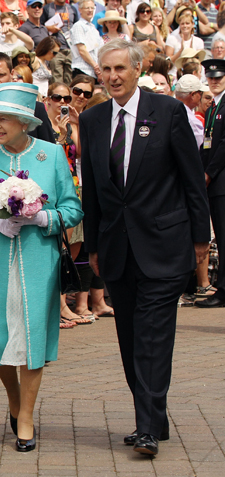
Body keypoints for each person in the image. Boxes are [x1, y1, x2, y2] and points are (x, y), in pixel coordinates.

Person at [80, 39, 210, 455]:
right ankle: (154, 414)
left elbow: (193, 181)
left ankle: (146, 429)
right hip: (117, 250)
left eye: (120, 68)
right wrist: (94, 244)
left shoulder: (169, 112)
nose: (113, 76)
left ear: (138, 69)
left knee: (153, 337)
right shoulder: (93, 120)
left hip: (165, 245)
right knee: (131, 338)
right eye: (106, 69)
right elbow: (94, 194)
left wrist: (201, 241)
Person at [0, 81, 83, 451]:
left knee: (31, 340)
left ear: (25, 122)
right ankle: (14, 399)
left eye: (5, 118)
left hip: (37, 262)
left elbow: (73, 208)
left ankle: (25, 415)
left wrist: (44, 218)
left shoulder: (51, 154)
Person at [196, 57, 225, 308]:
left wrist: (209, 173)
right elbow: (208, 145)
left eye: (219, 78)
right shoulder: (214, 106)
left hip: (221, 181)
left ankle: (223, 290)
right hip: (215, 182)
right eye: (211, 78)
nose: (214, 82)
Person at [40, 0, 78, 84]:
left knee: (69, 79)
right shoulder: (47, 8)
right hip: (55, 49)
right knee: (56, 78)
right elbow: (39, 26)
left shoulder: (72, 9)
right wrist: (49, 28)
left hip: (70, 48)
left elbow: (77, 26)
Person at [70, 0, 103, 80]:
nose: (90, 10)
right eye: (87, 8)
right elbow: (82, 50)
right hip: (82, 70)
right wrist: (95, 66)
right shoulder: (78, 25)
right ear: (80, 10)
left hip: (93, 72)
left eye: (92, 8)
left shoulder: (94, 28)